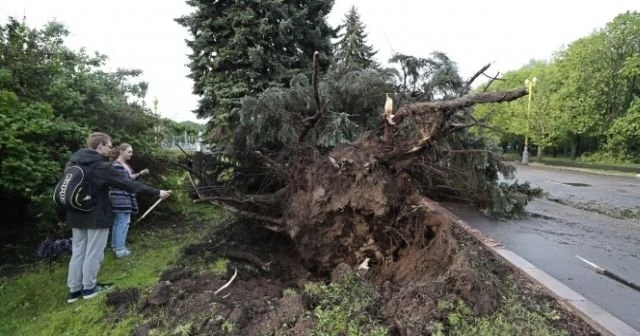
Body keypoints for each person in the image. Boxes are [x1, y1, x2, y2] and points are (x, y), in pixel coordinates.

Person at [57, 132, 171, 303]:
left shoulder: (73, 163)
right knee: (94, 252)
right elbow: (128, 184)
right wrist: (157, 192)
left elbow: (64, 190)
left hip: (75, 215)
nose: (111, 150)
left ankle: (74, 291)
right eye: (109, 146)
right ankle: (89, 288)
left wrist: (61, 216)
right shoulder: (101, 166)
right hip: (96, 215)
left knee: (78, 252)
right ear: (100, 146)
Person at [108, 143, 149, 258]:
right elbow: (125, 182)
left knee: (119, 223)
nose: (131, 154)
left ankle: (116, 246)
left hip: (124, 197)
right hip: (120, 198)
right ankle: (120, 250)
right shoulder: (117, 165)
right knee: (123, 223)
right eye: (129, 152)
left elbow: (128, 178)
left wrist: (140, 173)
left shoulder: (123, 165)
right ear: (121, 151)